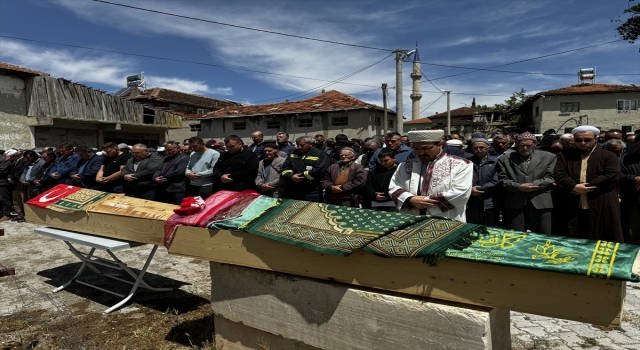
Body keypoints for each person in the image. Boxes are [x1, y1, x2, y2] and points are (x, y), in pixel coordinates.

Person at [554, 126, 623, 242]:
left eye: (587, 140)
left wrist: (585, 187)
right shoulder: (564, 156)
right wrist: (573, 186)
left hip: (601, 200)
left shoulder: (608, 156)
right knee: (572, 236)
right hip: (572, 201)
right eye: (578, 140)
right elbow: (559, 175)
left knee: (603, 235)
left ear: (596, 139)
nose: (582, 143)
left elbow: (612, 175)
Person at [389, 129, 473, 221]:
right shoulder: (404, 165)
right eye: (416, 148)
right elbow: (394, 187)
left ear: (440, 144)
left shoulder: (461, 164)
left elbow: (461, 193)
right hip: (411, 217)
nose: (421, 153)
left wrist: (424, 202)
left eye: (426, 148)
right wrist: (409, 200)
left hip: (446, 218)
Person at [497, 132, 556, 234]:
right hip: (515, 201)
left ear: (535, 144)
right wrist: (518, 186)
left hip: (541, 201)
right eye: (522, 145)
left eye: (528, 145)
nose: (524, 148)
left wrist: (533, 185)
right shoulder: (505, 158)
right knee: (516, 235)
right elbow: (503, 179)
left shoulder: (549, 157)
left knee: (542, 236)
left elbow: (550, 177)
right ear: (516, 144)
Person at [281, 135, 330, 202]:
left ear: (311, 144)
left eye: (302, 145)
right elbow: (285, 168)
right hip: (293, 190)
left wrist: (302, 176)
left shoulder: (321, 155)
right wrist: (291, 176)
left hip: (312, 191)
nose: (299, 147)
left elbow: (320, 171)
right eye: (297, 145)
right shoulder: (293, 153)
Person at [466, 138, 499, 226]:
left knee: (490, 227)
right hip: (471, 200)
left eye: (481, 148)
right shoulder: (466, 162)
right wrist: (470, 190)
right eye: (475, 148)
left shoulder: (496, 162)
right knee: (472, 226)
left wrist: (479, 189)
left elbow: (496, 181)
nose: (478, 150)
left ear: (488, 148)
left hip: (489, 201)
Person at [620, 134, 640, 243]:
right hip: (632, 201)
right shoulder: (625, 159)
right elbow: (619, 176)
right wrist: (634, 178)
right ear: (636, 144)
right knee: (632, 233)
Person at [7, 150, 28, 222]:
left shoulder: (24, 161)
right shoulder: (14, 162)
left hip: (20, 183)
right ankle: (19, 214)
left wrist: (13, 178)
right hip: (14, 184)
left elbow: (21, 172)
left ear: (17, 155)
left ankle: (25, 215)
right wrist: (9, 177)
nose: (11, 158)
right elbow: (10, 171)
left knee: (23, 200)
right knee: (16, 201)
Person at [0, 150, 13, 222]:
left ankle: (7, 214)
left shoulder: (3, 160)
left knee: (3, 198)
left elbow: (2, 171)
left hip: (2, 182)